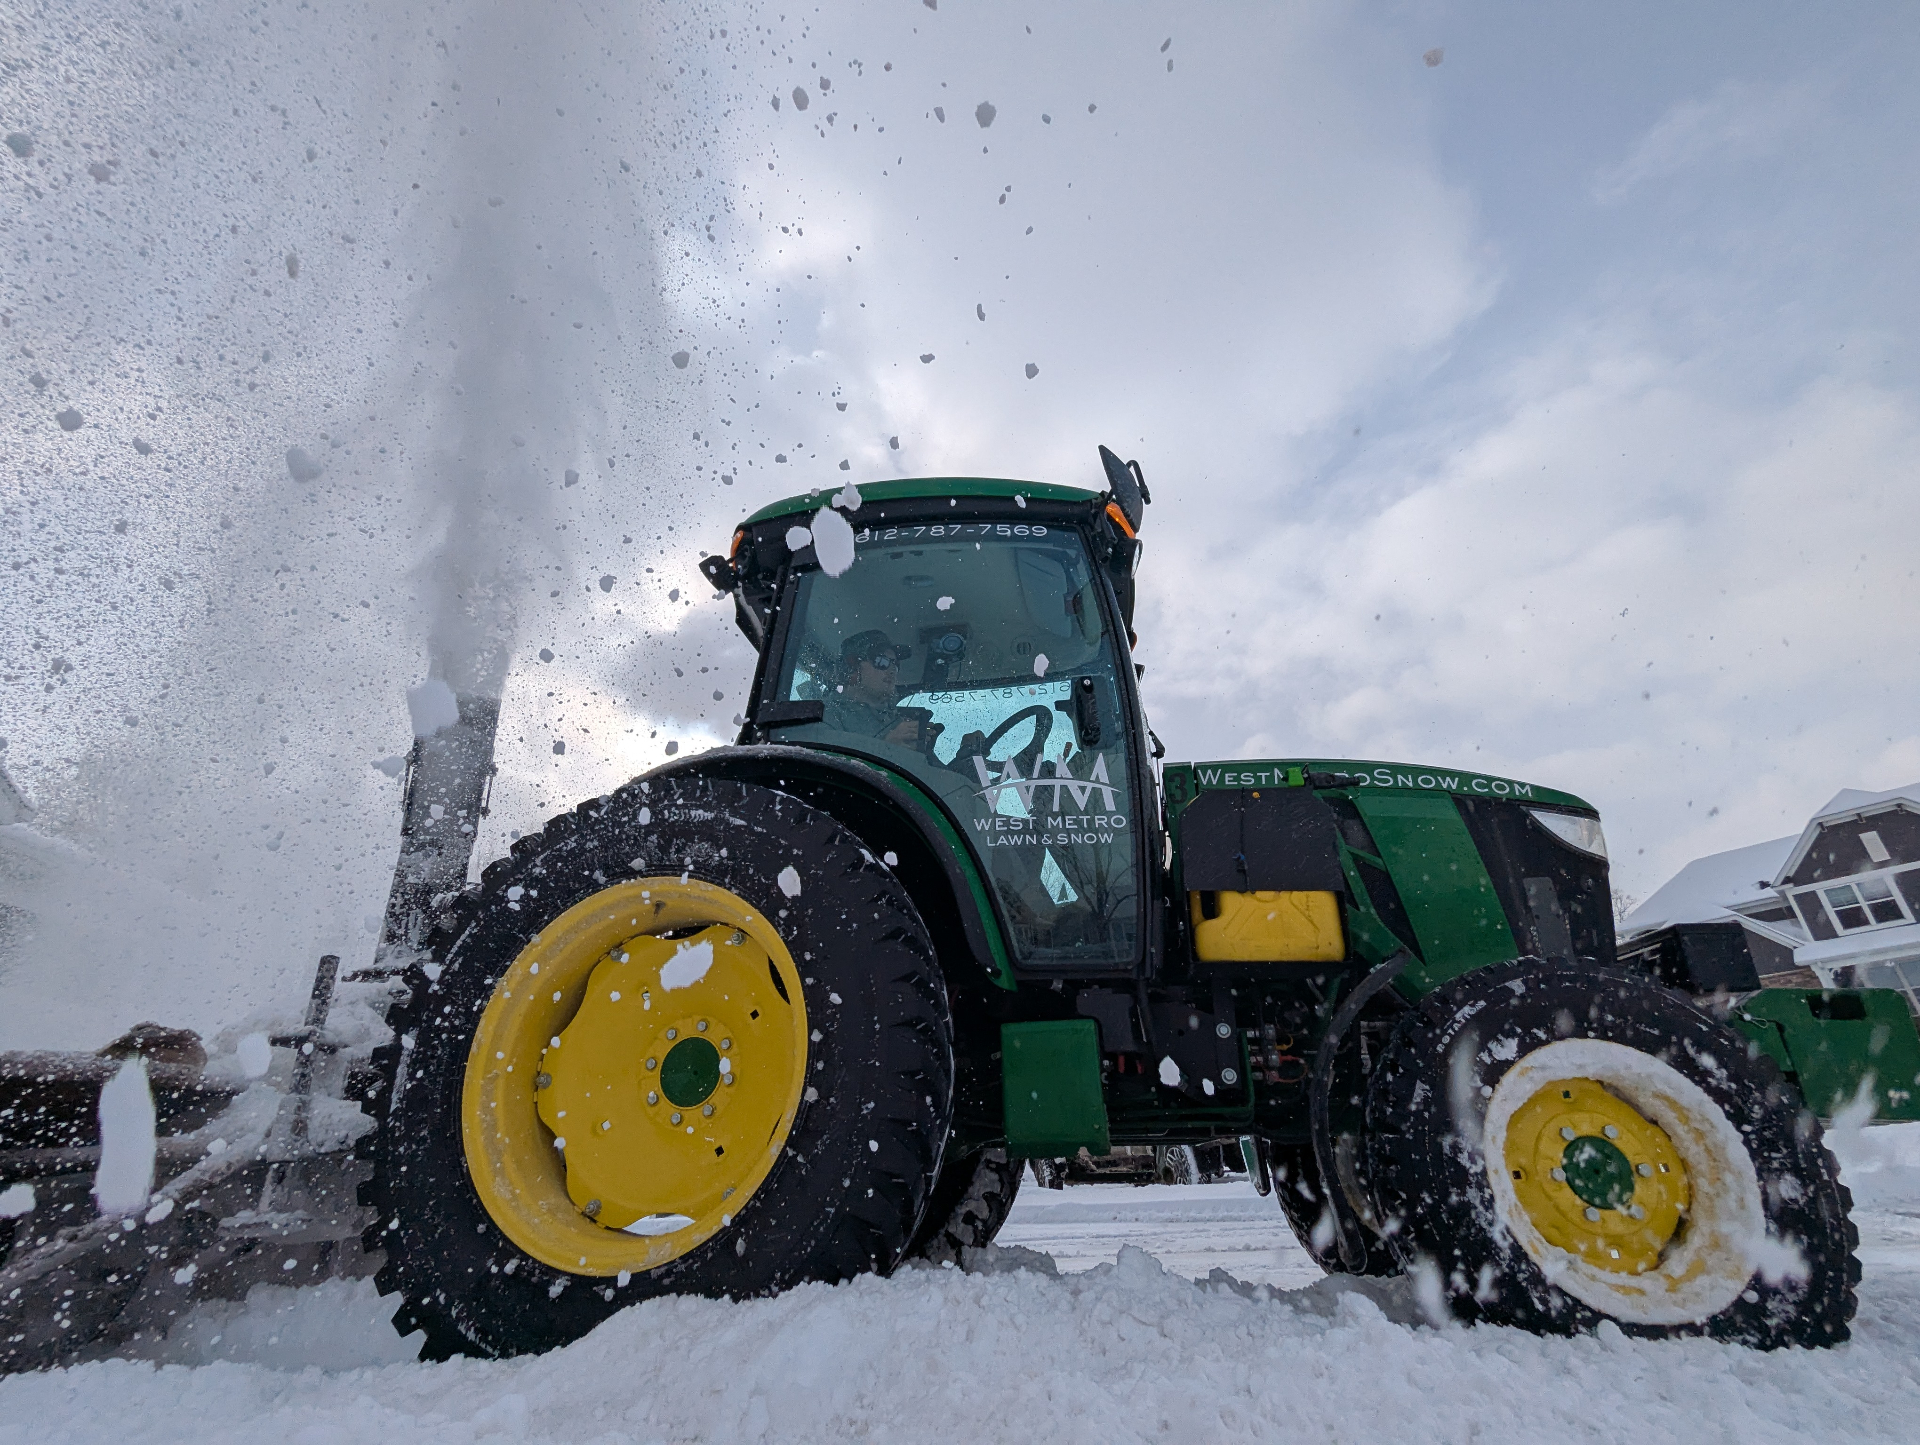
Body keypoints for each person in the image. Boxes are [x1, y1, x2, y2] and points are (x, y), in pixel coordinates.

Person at [822, 629, 926, 746]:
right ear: (851, 668)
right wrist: (887, 745)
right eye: (881, 661)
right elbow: (820, 760)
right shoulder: (826, 714)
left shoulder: (894, 720)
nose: (892, 670)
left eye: (895, 664)